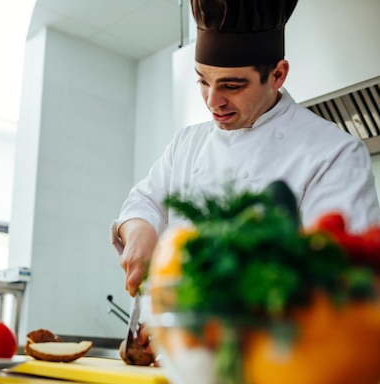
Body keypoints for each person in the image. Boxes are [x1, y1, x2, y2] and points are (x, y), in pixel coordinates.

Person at [112, 0, 380, 297]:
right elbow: (144, 201)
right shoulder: (188, 143)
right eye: (203, 81)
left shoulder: (334, 153)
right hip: (171, 335)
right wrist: (140, 234)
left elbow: (346, 278)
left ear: (277, 75)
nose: (212, 101)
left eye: (232, 86)